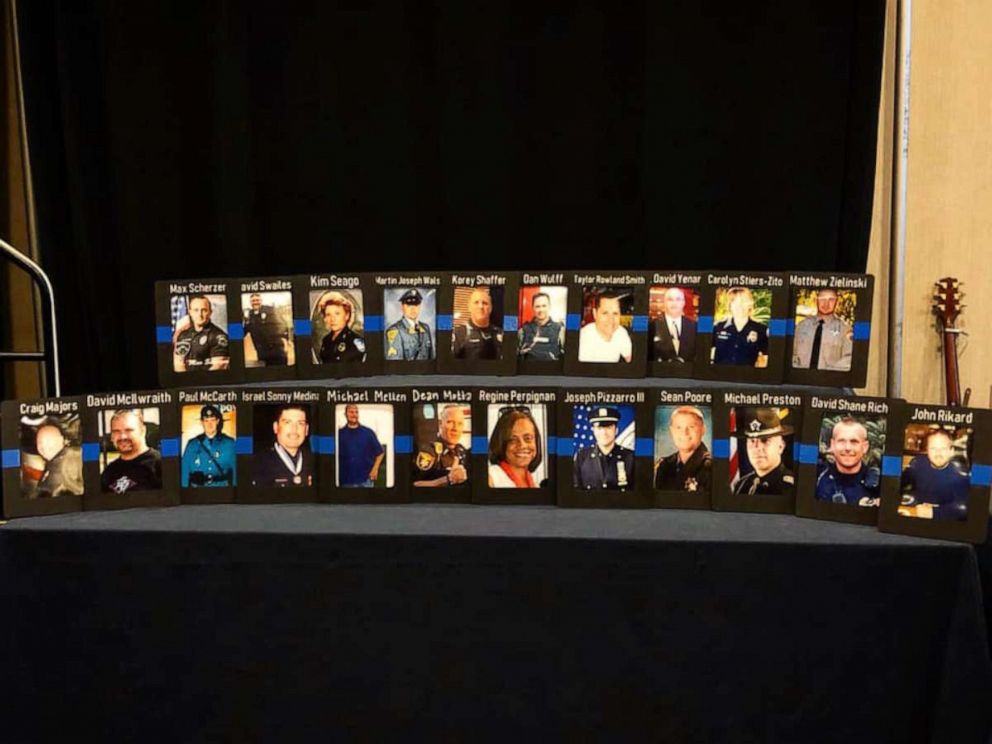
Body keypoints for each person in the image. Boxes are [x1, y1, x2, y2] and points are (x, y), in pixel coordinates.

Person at [899, 429, 970, 521]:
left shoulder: (961, 474)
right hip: (917, 516)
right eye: (933, 448)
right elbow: (899, 484)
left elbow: (965, 507)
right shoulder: (917, 463)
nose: (938, 453)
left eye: (943, 448)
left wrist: (934, 512)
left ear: (951, 451)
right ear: (927, 450)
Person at [815, 418, 880, 506]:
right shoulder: (817, 476)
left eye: (854, 442)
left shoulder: (879, 483)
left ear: (865, 447)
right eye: (841, 441)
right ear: (832, 444)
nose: (848, 448)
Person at [732, 408, 795, 496]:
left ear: (781, 446)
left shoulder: (791, 489)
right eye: (752, 441)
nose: (757, 447)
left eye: (764, 440)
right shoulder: (742, 485)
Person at [100, 410, 162, 494]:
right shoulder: (109, 471)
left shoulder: (160, 464)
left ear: (143, 431)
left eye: (128, 430)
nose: (122, 436)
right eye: (116, 431)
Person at [573, 407, 635, 490]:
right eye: (599, 428)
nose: (604, 433)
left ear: (616, 430)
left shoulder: (630, 457)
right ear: (593, 430)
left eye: (608, 427)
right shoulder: (582, 457)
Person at [793, 289, 854, 371]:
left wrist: (829, 374)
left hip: (830, 381)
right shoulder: (801, 326)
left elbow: (849, 358)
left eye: (831, 300)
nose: (826, 304)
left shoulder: (845, 330)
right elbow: (792, 353)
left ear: (837, 302)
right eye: (822, 299)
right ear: (816, 300)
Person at [252, 405, 314, 487]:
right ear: (276, 427)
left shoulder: (315, 462)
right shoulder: (257, 463)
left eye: (300, 423)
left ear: (306, 430)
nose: (294, 429)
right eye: (288, 422)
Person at [654, 406, 711, 493]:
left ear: (703, 429)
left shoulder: (712, 467)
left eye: (691, 427)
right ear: (671, 431)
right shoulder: (663, 466)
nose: (684, 433)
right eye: (678, 427)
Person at [181, 404, 237, 488]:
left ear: (218, 421)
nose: (209, 424)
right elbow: (184, 474)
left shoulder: (229, 443)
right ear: (202, 422)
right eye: (206, 421)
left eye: (212, 420)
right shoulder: (192, 444)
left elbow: (236, 473)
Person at [413, 405, 469, 487]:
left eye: (460, 423)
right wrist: (448, 479)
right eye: (450, 422)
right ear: (440, 424)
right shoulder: (429, 451)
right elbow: (416, 485)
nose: (455, 428)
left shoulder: (463, 452)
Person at [487, 407, 544, 488]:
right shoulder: (490, 477)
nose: (522, 445)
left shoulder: (535, 484)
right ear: (501, 443)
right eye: (513, 440)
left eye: (528, 438)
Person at [712, 286, 768, 367]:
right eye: (736, 302)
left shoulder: (761, 330)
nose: (740, 306)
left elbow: (767, 357)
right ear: (730, 305)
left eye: (743, 302)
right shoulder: (718, 327)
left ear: (750, 304)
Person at [173, 294, 230, 372]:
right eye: (196, 310)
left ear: (210, 312)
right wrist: (185, 380)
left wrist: (198, 381)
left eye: (204, 310)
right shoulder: (183, 335)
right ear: (190, 312)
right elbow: (178, 363)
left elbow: (219, 366)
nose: (200, 314)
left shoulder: (218, 336)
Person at [577, 291, 633, 363]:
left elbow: (633, 361)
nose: (611, 319)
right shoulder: (583, 339)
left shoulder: (621, 333)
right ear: (595, 314)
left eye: (615, 313)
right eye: (605, 313)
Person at [337, 404, 385, 487]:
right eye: (351, 412)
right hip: (346, 482)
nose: (354, 414)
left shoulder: (368, 433)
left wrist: (375, 469)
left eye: (356, 412)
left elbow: (380, 453)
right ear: (345, 414)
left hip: (366, 481)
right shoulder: (339, 434)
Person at [33, 422, 83, 498]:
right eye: (39, 442)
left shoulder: (58, 468)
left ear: (61, 440)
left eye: (48, 442)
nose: (41, 447)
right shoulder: (69, 456)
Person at [452, 287, 503, 360]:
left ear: (491, 308)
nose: (481, 306)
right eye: (476, 302)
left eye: (485, 303)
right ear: (469, 307)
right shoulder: (458, 334)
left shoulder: (501, 334)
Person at [243, 292, 291, 366]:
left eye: (257, 300)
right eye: (253, 301)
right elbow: (243, 331)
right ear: (250, 302)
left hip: (277, 350)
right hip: (262, 352)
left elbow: (283, 325)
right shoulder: (250, 315)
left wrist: (285, 341)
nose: (255, 302)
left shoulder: (270, 310)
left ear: (261, 301)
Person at [385, 288, 434, 361]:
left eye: (416, 305)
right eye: (409, 305)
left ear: (420, 307)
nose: (413, 309)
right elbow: (395, 367)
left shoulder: (426, 328)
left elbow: (431, 359)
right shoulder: (395, 331)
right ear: (402, 307)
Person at [651, 287, 697, 363]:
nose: (674, 303)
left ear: (683, 302)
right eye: (670, 299)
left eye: (678, 299)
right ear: (664, 302)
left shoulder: (694, 326)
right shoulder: (652, 326)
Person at [318, 293, 366, 363]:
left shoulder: (354, 341)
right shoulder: (326, 340)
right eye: (328, 315)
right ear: (325, 318)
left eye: (337, 313)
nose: (332, 319)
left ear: (347, 315)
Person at [518, 292, 564, 361]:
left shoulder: (560, 330)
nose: (541, 310)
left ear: (549, 306)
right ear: (533, 307)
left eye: (544, 306)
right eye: (537, 306)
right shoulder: (523, 330)